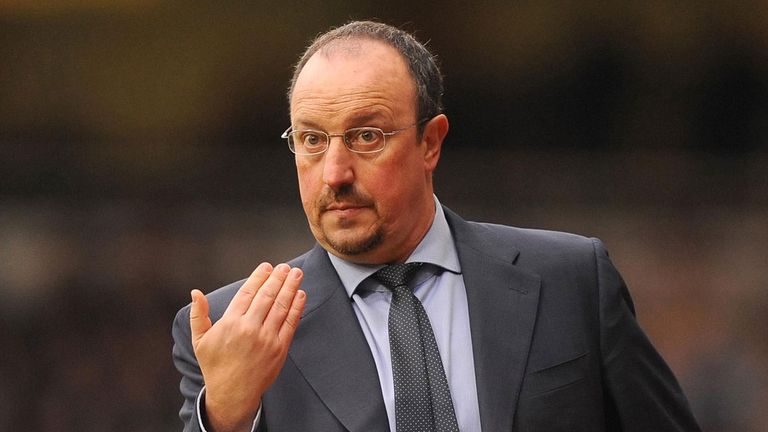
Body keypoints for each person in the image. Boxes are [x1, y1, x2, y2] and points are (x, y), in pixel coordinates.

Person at [172, 20, 701, 432]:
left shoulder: (573, 279)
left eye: (366, 136)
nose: (334, 173)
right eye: (312, 140)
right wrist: (226, 416)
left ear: (430, 142)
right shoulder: (230, 328)